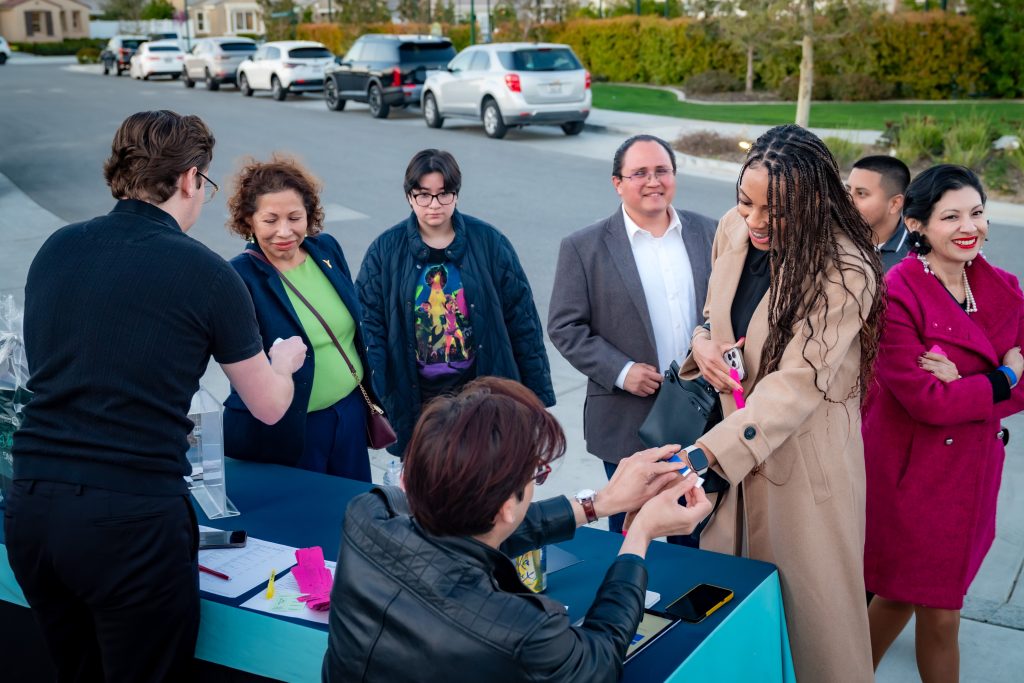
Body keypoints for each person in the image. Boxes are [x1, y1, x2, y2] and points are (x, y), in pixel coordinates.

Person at [4, 111, 306, 681]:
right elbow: (268, 406)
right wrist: (283, 363)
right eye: (206, 185)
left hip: (33, 508)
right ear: (191, 179)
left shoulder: (57, 248)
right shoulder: (208, 272)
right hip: (128, 517)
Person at [322, 376, 711, 683]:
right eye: (535, 474)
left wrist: (600, 504)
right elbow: (599, 659)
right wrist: (640, 535)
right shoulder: (525, 628)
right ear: (508, 506)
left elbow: (472, 529)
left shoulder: (366, 516)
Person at [680, 124, 884, 681]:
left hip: (802, 473)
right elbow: (711, 316)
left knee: (816, 638)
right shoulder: (732, 230)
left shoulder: (844, 270)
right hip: (732, 462)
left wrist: (705, 458)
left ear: (816, 199)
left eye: (778, 209)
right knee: (733, 631)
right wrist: (703, 345)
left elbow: (797, 383)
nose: (757, 221)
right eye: (747, 202)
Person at [863, 165, 1024, 681]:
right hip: (914, 481)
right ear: (916, 224)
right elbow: (928, 403)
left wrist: (967, 385)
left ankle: (837, 670)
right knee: (939, 609)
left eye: (977, 213)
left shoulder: (1003, 287)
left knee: (898, 598)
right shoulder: (896, 293)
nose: (968, 227)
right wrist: (1000, 377)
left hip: (975, 474)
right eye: (950, 216)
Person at [548, 134, 716, 537]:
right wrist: (622, 371)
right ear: (617, 182)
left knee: (701, 530)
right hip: (629, 420)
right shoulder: (583, 247)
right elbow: (564, 326)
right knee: (636, 535)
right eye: (639, 173)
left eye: (661, 171)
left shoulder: (711, 234)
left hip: (705, 416)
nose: (653, 181)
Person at [356, 149, 554, 456]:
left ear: (456, 195)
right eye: (424, 195)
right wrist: (381, 398)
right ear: (410, 197)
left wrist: (537, 399)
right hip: (418, 400)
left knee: (488, 486)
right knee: (430, 492)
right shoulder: (385, 251)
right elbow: (369, 328)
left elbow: (523, 321)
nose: (434, 205)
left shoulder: (489, 242)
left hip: (484, 396)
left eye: (443, 194)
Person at [223, 156, 373, 481]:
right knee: (308, 521)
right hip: (295, 428)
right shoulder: (238, 277)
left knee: (359, 514)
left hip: (350, 412)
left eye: (295, 217)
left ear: (309, 215)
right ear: (249, 220)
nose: (284, 231)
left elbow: (353, 326)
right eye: (270, 220)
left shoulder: (327, 250)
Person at [847, 155, 912, 271]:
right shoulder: (830, 238)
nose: (847, 200)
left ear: (895, 203)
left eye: (861, 193)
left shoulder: (916, 257)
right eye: (847, 190)